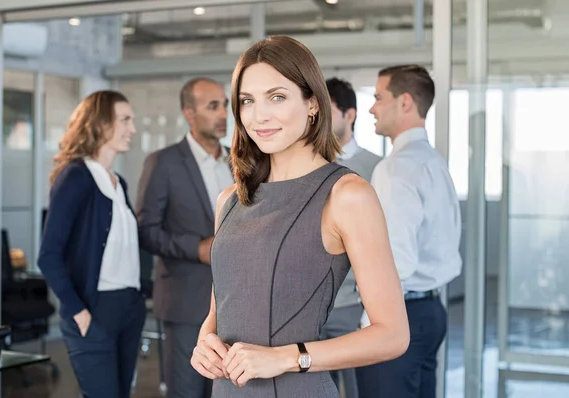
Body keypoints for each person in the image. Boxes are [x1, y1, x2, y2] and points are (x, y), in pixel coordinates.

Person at [190, 35, 409, 397]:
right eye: (247, 101)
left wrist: (287, 358)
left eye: (277, 97)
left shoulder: (346, 195)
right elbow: (222, 309)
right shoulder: (229, 200)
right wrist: (205, 341)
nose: (259, 115)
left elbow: (393, 335)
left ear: (312, 104)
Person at [355, 65, 462, 398]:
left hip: (399, 316)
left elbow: (395, 260)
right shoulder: (433, 160)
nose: (371, 108)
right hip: (431, 313)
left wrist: (369, 325)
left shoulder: (395, 168)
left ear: (404, 103)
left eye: (378, 97)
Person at [38, 90, 145, 398]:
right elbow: (48, 255)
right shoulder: (75, 176)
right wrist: (77, 309)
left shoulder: (118, 183)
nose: (132, 129)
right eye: (125, 120)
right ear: (99, 124)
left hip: (128, 308)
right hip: (93, 309)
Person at [135, 77, 234, 398]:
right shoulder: (162, 163)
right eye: (213, 106)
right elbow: (146, 231)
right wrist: (197, 248)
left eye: (225, 105)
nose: (223, 114)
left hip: (236, 304)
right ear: (189, 113)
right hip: (186, 302)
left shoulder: (240, 160)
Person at [320, 77, 382, 398]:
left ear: (351, 115)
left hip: (353, 308)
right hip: (314, 307)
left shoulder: (376, 169)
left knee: (359, 391)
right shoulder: (309, 167)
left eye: (329, 112)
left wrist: (367, 312)